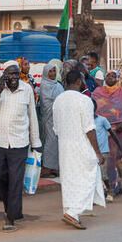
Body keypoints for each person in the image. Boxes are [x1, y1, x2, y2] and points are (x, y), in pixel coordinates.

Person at [0, 61, 41, 232]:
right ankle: (12, 208)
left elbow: (32, 116)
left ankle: (10, 217)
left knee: (16, 180)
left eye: (16, 74)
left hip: (20, 142)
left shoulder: (27, 90)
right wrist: (0, 90)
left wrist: (36, 142)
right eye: (10, 74)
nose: (14, 77)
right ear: (4, 75)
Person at [52, 70, 105, 230]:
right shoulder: (85, 100)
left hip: (64, 146)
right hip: (82, 146)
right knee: (88, 177)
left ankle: (70, 210)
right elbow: (89, 128)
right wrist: (97, 152)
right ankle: (73, 212)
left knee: (69, 179)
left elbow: (56, 128)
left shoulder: (58, 100)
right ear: (79, 81)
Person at [38, 59, 63, 176]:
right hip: (47, 118)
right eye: (50, 71)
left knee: (56, 141)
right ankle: (47, 166)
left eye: (54, 71)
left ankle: (54, 166)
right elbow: (46, 102)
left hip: (57, 118)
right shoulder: (44, 85)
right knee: (49, 141)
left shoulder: (58, 85)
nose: (52, 73)